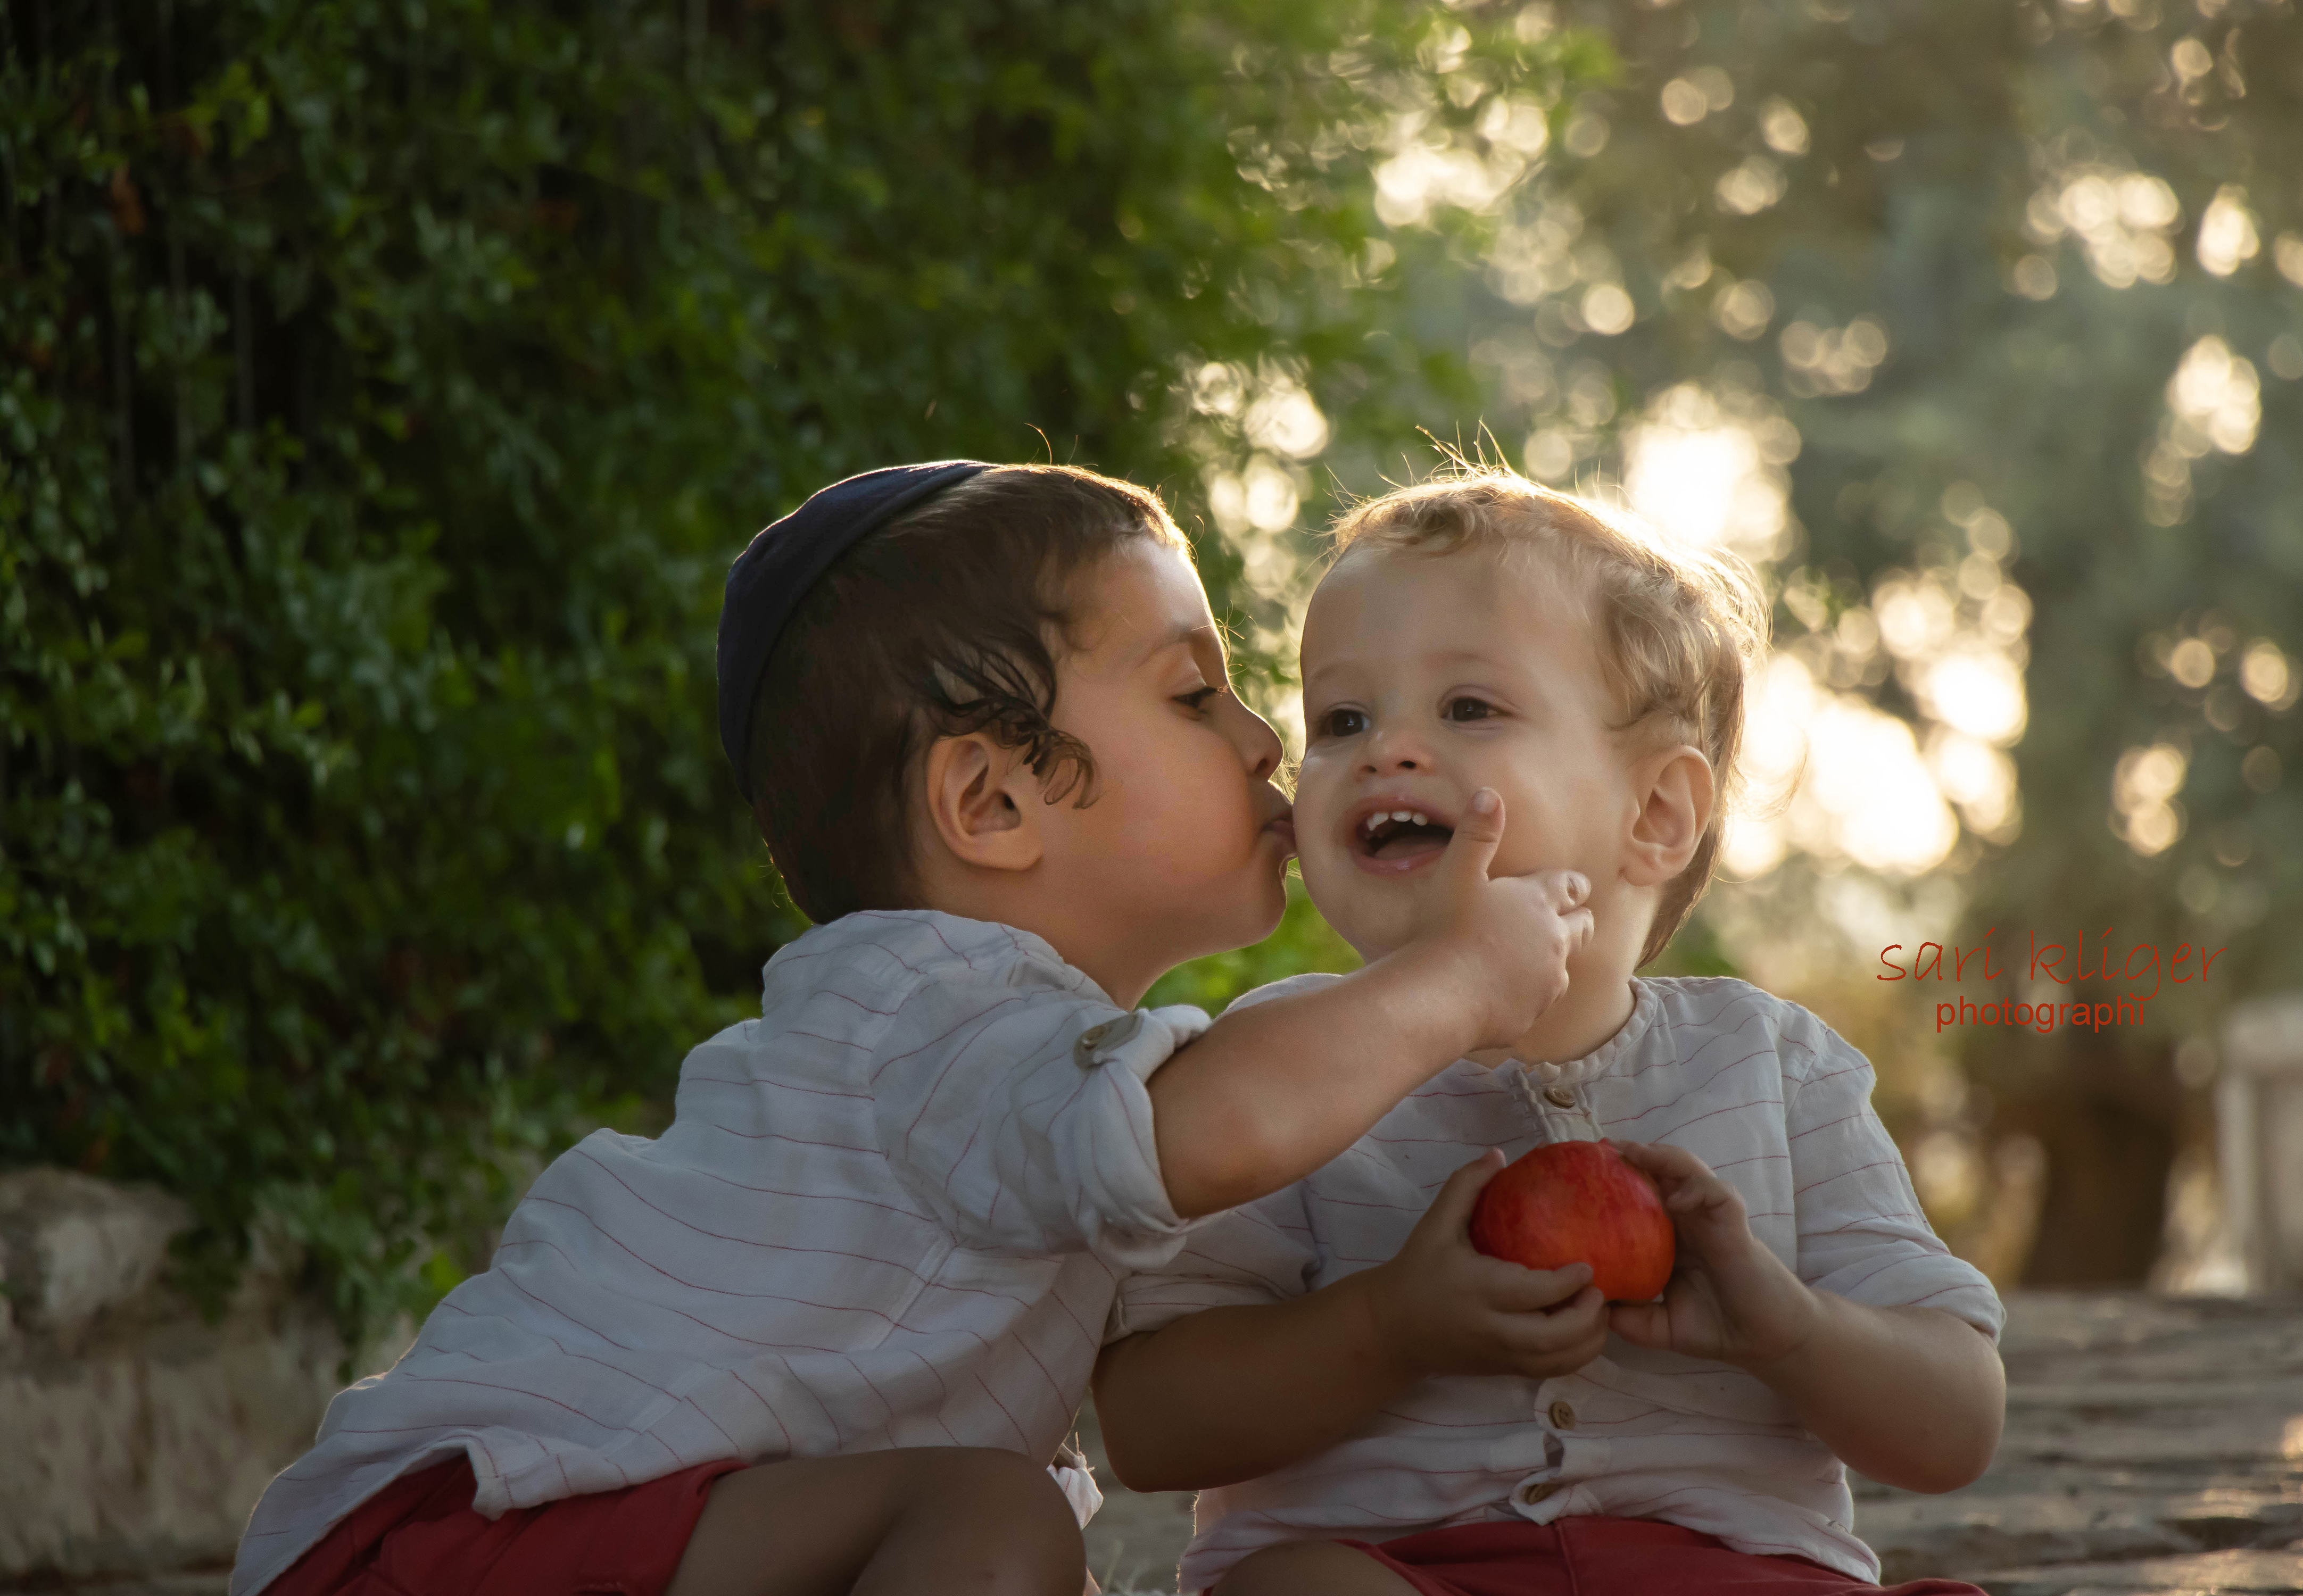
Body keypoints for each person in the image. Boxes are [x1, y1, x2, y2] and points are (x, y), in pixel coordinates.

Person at [230, 461, 1601, 1596]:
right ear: (991, 805)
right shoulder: (933, 1008)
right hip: (453, 1542)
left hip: (563, 1537)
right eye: (1195, 694)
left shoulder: (980, 1050)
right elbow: (1218, 1126)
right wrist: (1462, 981)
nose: (1265, 743)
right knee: (995, 1525)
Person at [1093, 469, 2008, 1596]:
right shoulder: (1275, 1073)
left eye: (1469, 709)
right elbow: (1151, 1427)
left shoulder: (1774, 1066)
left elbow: (1956, 1428)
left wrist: (1791, 1328)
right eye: (1342, 720)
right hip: (1401, 1571)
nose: (1386, 750)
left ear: (1655, 813)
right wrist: (1388, 1328)